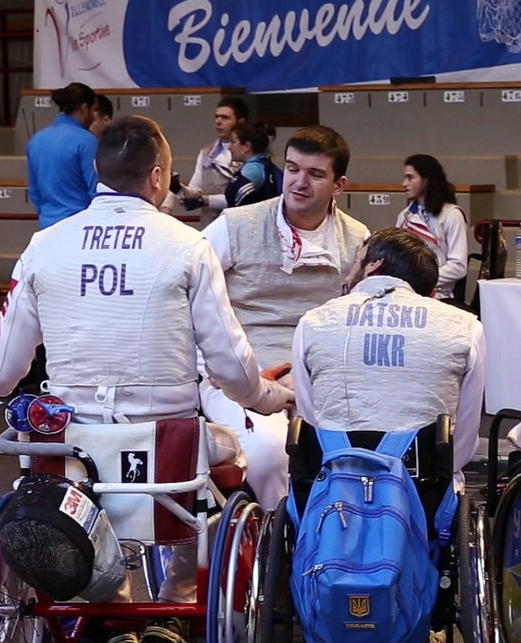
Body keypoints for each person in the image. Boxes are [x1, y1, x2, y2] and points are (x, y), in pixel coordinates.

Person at [0, 115, 293, 643]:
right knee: (228, 465)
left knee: (81, 465)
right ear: (157, 176)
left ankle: (115, 606)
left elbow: (2, 369)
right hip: (165, 452)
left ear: (98, 171)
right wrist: (269, 398)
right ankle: (175, 601)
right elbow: (230, 367)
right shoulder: (188, 246)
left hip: (71, 449)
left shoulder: (44, 245)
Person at [200, 125, 369, 512]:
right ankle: (284, 534)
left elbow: (359, 320)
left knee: (363, 449)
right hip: (244, 375)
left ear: (339, 185)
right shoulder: (235, 225)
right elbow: (186, 289)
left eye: (315, 174)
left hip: (323, 376)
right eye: (293, 169)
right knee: (269, 453)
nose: (299, 182)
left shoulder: (358, 238)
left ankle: (341, 533)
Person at [292, 226, 484, 491]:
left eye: (357, 260)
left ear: (374, 265)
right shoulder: (465, 326)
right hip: (427, 488)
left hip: (336, 484)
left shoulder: (313, 321)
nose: (349, 272)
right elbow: (465, 434)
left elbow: (310, 420)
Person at [395, 154, 469, 300]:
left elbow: (458, 266)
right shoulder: (404, 216)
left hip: (439, 295)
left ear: (427, 179)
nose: (404, 184)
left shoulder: (452, 215)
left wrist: (422, 281)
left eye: (410, 178)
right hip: (406, 291)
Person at [164, 96, 249, 223]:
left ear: (240, 122)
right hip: (210, 225)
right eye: (216, 117)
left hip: (239, 224)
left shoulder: (249, 155)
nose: (218, 122)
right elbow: (194, 190)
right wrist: (177, 188)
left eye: (225, 118)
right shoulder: (206, 153)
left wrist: (204, 200)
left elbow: (241, 198)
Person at [26, 82, 98, 228]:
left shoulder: (36, 140)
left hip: (47, 224)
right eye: (93, 111)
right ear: (85, 108)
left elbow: (34, 191)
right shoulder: (87, 141)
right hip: (80, 226)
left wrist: (47, 215)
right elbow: (96, 189)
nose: (94, 117)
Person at [224, 120, 280, 208]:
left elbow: (236, 201)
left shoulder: (252, 170)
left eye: (233, 142)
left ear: (246, 146)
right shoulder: (264, 164)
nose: (229, 147)